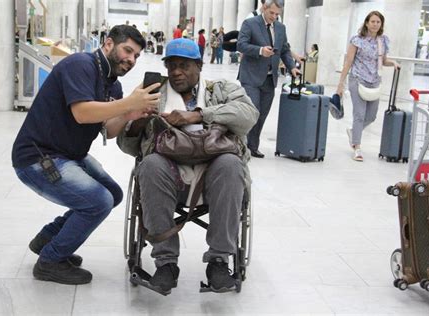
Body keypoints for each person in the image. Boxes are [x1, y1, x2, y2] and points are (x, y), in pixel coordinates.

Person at [11, 25, 161, 285]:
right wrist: (128, 104)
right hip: (38, 157)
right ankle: (50, 260)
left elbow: (109, 130)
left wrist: (129, 113)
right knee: (98, 202)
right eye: (127, 51)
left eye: (136, 56)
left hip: (69, 154)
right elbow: (82, 113)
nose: (131, 60)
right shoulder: (81, 65)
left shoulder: (112, 85)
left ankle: (49, 238)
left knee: (113, 194)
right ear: (108, 44)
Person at [117, 38, 259, 294]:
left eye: (184, 66)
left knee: (231, 164)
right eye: (171, 66)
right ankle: (166, 263)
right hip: (169, 174)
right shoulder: (153, 92)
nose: (176, 72)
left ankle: (218, 260)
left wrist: (199, 115)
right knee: (149, 165)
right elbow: (127, 147)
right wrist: (136, 124)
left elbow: (249, 115)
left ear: (199, 66)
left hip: (214, 173)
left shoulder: (222, 89)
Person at [237, 0, 300, 158]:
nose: (274, 17)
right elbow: (241, 45)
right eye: (271, 13)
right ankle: (241, 144)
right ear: (264, 8)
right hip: (251, 76)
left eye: (277, 14)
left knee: (262, 114)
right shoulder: (250, 23)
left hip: (270, 79)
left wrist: (292, 67)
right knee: (253, 110)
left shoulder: (280, 27)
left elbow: (285, 50)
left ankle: (252, 146)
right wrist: (260, 51)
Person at [336, 11, 399, 161]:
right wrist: (341, 83)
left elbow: (383, 60)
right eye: (372, 21)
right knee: (359, 114)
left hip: (374, 81)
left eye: (378, 22)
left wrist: (393, 63)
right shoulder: (357, 40)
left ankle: (353, 132)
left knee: (371, 116)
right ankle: (357, 147)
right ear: (366, 23)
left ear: (381, 24)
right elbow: (348, 62)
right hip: (358, 79)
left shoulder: (383, 40)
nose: (375, 24)